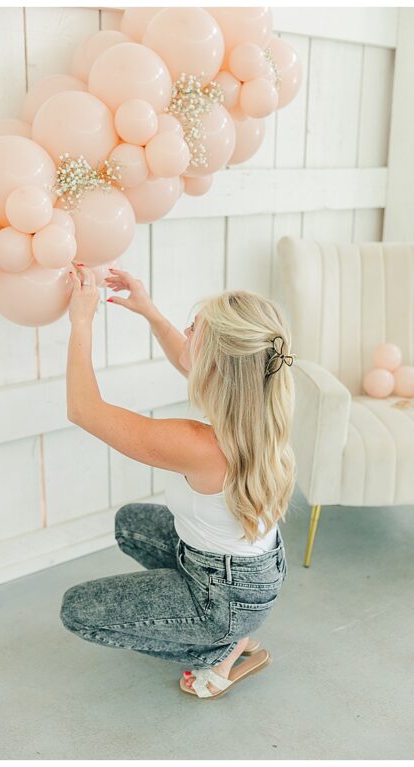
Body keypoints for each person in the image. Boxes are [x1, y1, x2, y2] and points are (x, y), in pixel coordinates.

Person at [59, 264, 293, 699]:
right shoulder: (256, 404)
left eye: (193, 330)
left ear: (214, 364)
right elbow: (188, 358)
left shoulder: (200, 445)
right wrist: (149, 311)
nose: (184, 332)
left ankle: (222, 647)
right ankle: (230, 626)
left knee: (76, 610)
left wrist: (81, 320)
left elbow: (83, 409)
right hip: (254, 572)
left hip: (224, 595)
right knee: (130, 522)